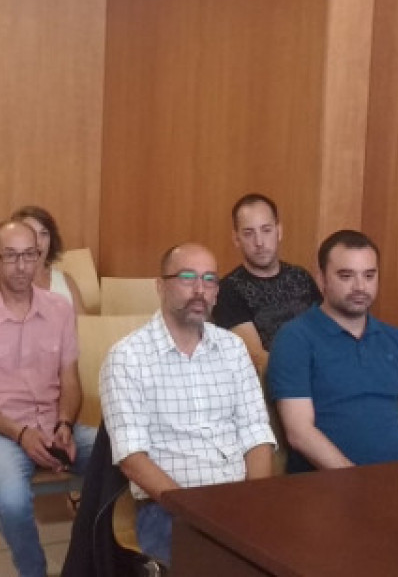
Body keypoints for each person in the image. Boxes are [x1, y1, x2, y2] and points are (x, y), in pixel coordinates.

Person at [100, 243, 275, 567]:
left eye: (209, 279)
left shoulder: (233, 349)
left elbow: (256, 433)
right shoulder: (128, 357)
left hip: (238, 499)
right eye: (187, 278)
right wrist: (195, 512)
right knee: (222, 564)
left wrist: (254, 501)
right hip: (168, 508)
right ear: (160, 286)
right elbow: (132, 459)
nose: (199, 290)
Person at [0, 221, 96, 577]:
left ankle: (96, 562)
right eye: (10, 257)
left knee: (123, 459)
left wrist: (65, 423)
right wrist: (21, 434)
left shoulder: (59, 309)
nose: (22, 266)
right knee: (12, 501)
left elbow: (70, 381)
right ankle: (33, 571)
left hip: (56, 427)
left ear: (40, 256)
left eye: (30, 255)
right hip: (1, 434)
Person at [267, 229, 398, 473]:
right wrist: (359, 482)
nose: (360, 286)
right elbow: (299, 432)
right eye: (346, 276)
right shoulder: (295, 338)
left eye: (369, 275)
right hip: (329, 484)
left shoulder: (397, 340)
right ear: (321, 279)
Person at [211, 193, 322, 371]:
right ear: (236, 239)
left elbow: (324, 332)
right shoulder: (228, 290)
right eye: (249, 233)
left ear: (279, 231)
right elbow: (257, 358)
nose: (259, 242)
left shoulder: (301, 277)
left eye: (266, 230)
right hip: (275, 380)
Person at [11, 205, 85, 313]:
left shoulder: (66, 281)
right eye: (30, 233)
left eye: (44, 234)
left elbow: (84, 322)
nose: (38, 242)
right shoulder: (0, 287)